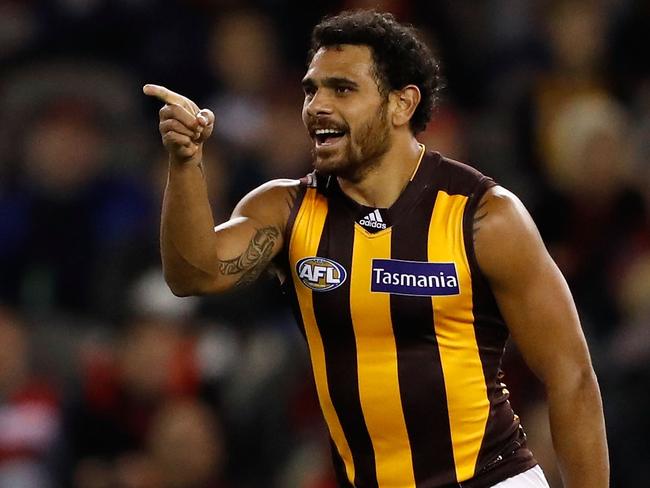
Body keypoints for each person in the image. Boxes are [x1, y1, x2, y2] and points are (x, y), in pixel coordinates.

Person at [143, 10, 608, 488]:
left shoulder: (484, 217)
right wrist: (185, 163)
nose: (317, 106)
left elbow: (570, 376)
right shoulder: (285, 210)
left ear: (402, 104)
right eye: (311, 89)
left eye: (342, 89)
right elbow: (191, 275)